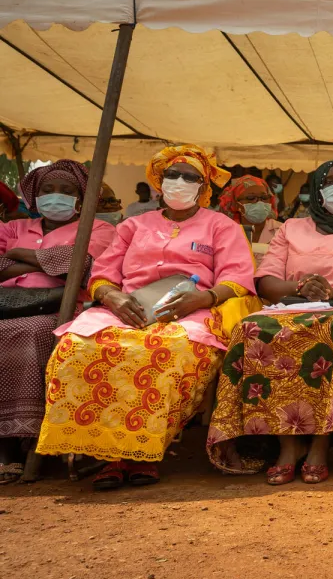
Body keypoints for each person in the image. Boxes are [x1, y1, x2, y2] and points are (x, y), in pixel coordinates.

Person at [36, 145, 257, 489]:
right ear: (159, 181)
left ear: (204, 185)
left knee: (160, 352)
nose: (179, 182)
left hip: (191, 310)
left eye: (190, 177)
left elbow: (238, 279)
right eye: (172, 174)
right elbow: (103, 276)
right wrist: (114, 297)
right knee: (76, 348)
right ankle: (109, 455)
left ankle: (143, 453)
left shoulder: (221, 226)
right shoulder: (133, 225)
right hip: (127, 307)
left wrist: (204, 297)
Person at [206, 159, 333, 484]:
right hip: (295, 304)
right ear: (317, 189)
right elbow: (265, 283)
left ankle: (320, 444)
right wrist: (301, 287)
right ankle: (287, 446)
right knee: (253, 329)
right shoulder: (292, 228)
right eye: (330, 181)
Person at [0, 161, 117, 484]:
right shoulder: (14, 228)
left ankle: (28, 441)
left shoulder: (97, 229)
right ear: (35, 195)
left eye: (67, 192)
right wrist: (48, 264)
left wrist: (18, 257)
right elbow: (60, 265)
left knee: (32, 332)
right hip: (5, 306)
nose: (56, 197)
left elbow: (78, 268)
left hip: (59, 311)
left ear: (81, 198)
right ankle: (4, 446)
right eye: (49, 190)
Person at [218, 174, 282, 260]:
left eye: (264, 197)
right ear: (237, 204)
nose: (260, 202)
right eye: (251, 198)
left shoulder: (282, 231)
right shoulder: (226, 233)